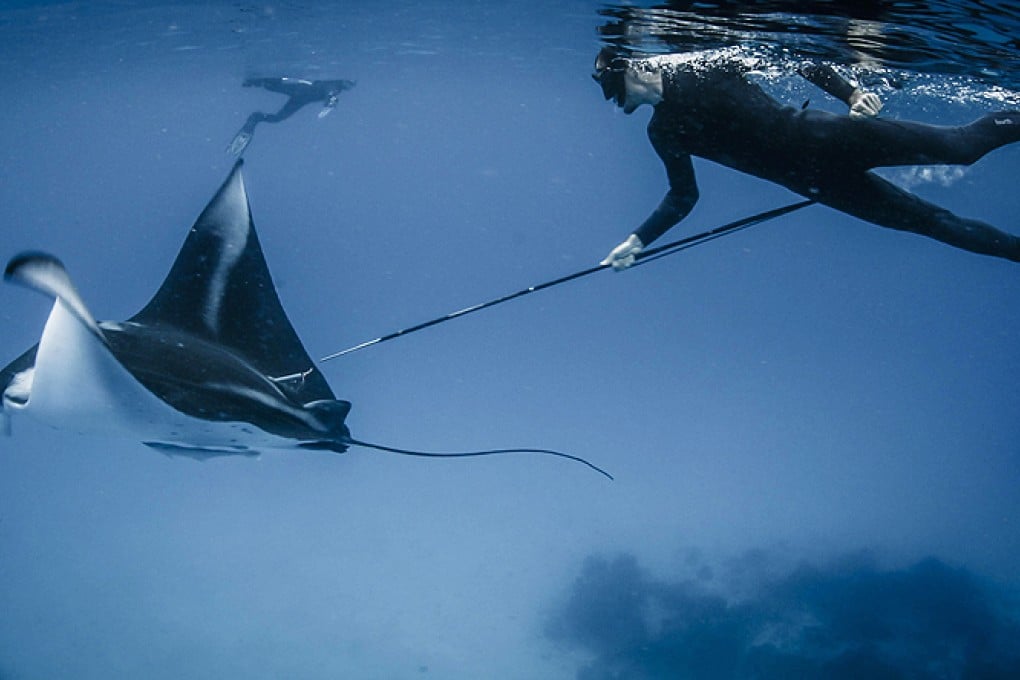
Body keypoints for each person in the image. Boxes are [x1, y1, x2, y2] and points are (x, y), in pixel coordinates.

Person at [593, 48, 1020, 268]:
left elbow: (794, 57)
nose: (618, 104)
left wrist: (850, 94)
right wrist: (638, 240)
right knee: (933, 224)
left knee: (963, 147)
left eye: (615, 91)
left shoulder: (703, 67)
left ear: (632, 70)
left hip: (829, 138)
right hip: (817, 182)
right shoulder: (663, 132)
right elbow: (683, 197)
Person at [227, 77, 355, 156]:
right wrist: (330, 105)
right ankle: (256, 116)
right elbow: (330, 94)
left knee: (273, 97)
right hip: (300, 93)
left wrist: (330, 104)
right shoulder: (334, 86)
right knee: (271, 90)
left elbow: (330, 95)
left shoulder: (334, 87)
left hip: (299, 96)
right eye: (349, 83)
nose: (349, 86)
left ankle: (255, 117)